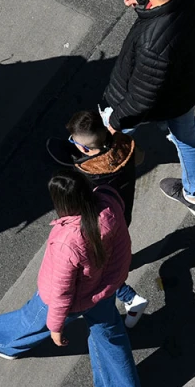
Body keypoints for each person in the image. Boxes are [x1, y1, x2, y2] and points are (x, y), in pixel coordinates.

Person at [0, 170, 144, 387]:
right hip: (105, 288)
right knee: (110, 336)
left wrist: (56, 328)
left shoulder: (67, 240)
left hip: (76, 300)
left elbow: (60, 292)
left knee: (30, 321)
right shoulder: (109, 201)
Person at [100, 0, 195, 219]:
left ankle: (98, 193)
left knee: (105, 140)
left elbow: (141, 97)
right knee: (188, 139)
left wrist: (116, 123)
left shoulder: (152, 43)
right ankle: (194, 196)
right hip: (186, 86)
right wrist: (143, 4)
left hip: (159, 100)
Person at [46, 110, 149, 327]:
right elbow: (139, 158)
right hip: (122, 212)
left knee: (98, 266)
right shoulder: (124, 144)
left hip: (99, 223)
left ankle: (131, 298)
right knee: (111, 255)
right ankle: (127, 286)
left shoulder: (88, 171)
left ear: (84, 148)